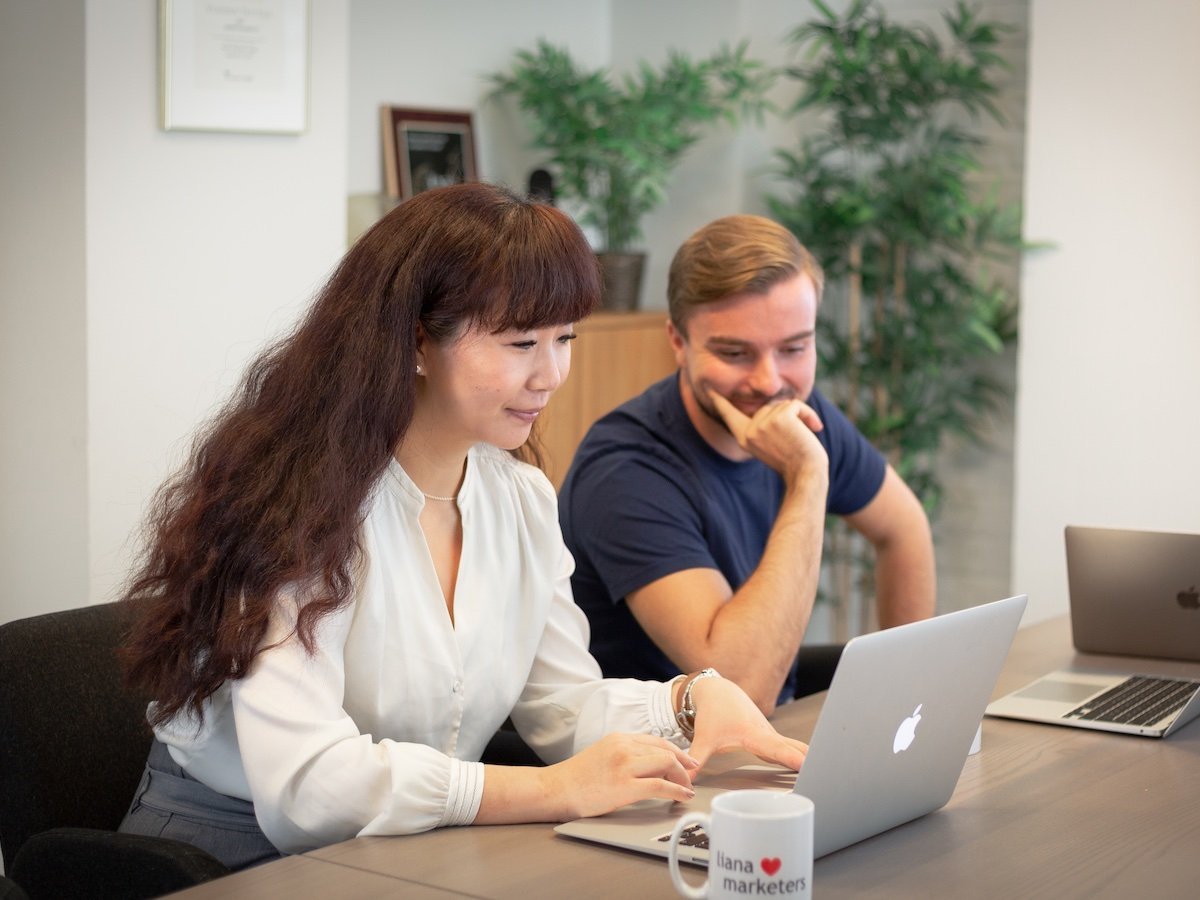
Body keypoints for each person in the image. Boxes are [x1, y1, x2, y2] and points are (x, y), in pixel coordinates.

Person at [114, 184, 807, 872]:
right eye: (520, 343)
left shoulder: (521, 499)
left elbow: (559, 705)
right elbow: (307, 789)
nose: (552, 373)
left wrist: (687, 701)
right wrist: (548, 789)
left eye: (564, 338)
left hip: (404, 839)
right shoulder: (302, 508)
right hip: (227, 850)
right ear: (416, 343)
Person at [559, 214, 936, 715]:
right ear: (678, 342)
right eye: (735, 352)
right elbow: (743, 689)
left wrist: (904, 702)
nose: (768, 381)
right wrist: (807, 476)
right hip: (655, 770)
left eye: (794, 348)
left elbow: (904, 529)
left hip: (757, 746)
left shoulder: (803, 414)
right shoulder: (625, 468)